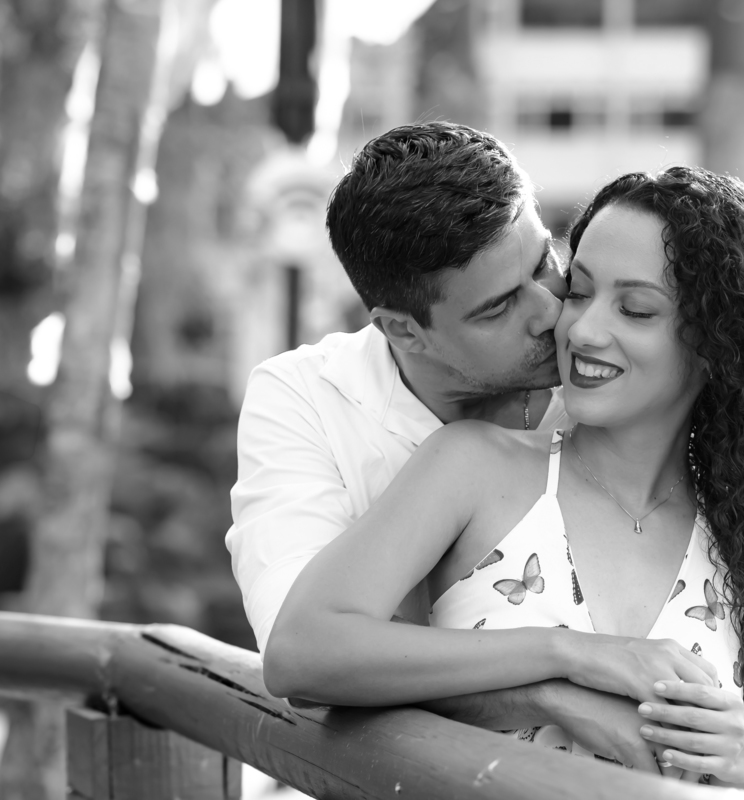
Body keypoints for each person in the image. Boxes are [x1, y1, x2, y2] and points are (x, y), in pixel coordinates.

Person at [263, 167, 744, 798]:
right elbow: (301, 652)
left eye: (636, 308)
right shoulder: (474, 465)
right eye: (581, 292)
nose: (581, 329)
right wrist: (571, 661)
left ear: (717, 342)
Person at [227, 122, 668, 770]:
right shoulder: (305, 401)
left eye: (544, 260)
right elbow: (312, 666)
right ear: (403, 330)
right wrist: (559, 670)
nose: (550, 310)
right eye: (497, 308)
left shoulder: (609, 378)